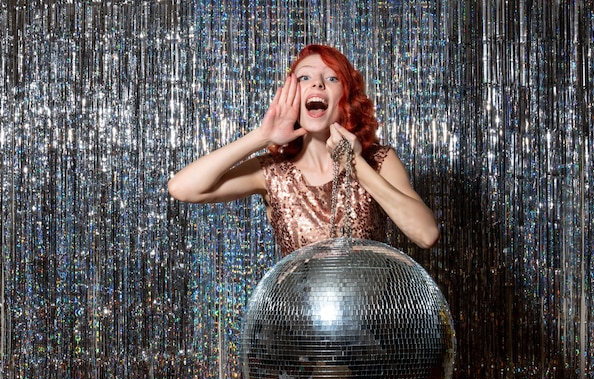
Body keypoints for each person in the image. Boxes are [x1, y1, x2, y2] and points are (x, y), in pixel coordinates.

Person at [168, 44, 439, 256]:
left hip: (369, 324)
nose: (318, 84)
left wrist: (355, 165)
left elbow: (426, 235)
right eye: (305, 77)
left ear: (346, 99)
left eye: (331, 78)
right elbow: (183, 188)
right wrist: (261, 136)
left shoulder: (379, 160)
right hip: (294, 324)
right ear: (293, 97)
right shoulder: (273, 171)